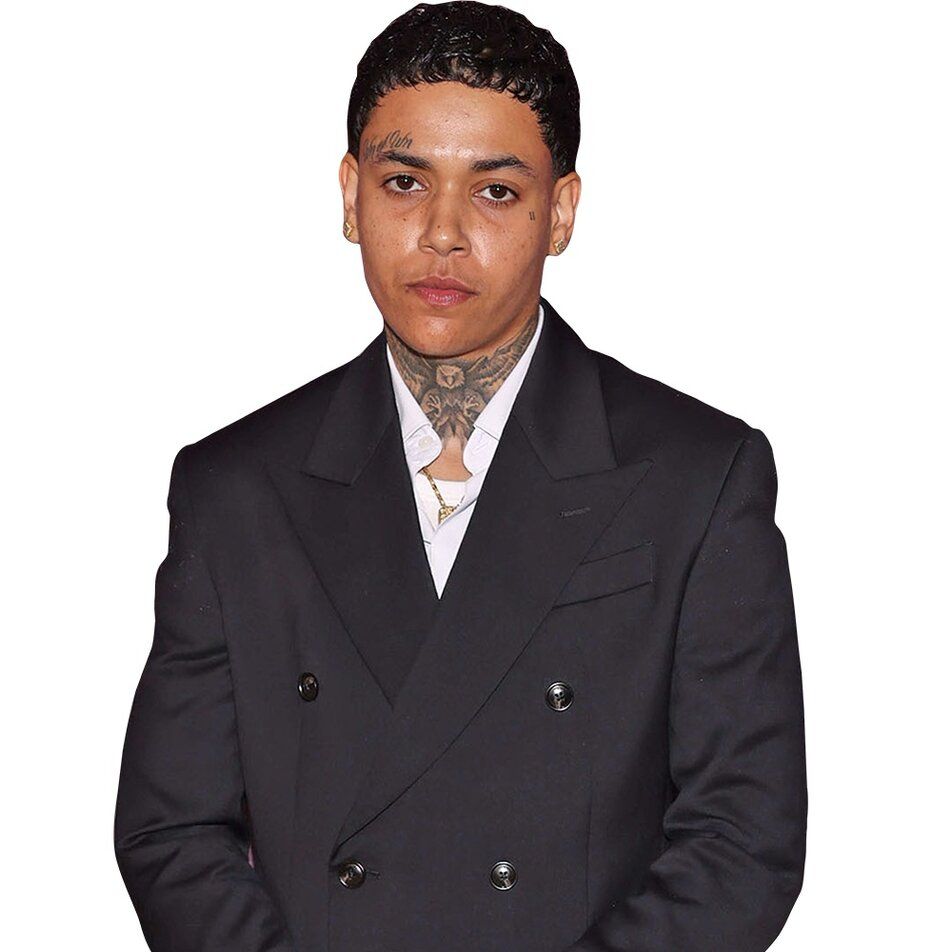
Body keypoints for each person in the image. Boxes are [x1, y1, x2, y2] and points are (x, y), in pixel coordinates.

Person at [113, 3, 807, 950]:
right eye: (405, 182)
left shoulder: (698, 477)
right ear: (351, 195)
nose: (442, 233)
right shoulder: (234, 488)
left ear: (560, 211)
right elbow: (172, 832)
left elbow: (742, 840)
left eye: (495, 192)